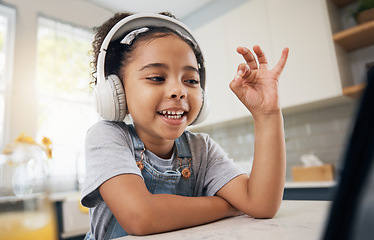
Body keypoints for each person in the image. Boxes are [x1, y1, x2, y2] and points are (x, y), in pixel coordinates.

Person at [81, 11, 289, 239]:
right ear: (116, 91)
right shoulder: (107, 137)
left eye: (191, 81)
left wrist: (267, 114)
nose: (179, 91)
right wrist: (229, 206)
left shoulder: (201, 149)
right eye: (157, 78)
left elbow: (260, 204)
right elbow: (141, 217)